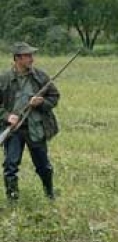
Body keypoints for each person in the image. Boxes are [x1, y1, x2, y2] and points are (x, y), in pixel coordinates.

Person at [0, 42, 60, 201]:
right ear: (17, 58)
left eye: (31, 55)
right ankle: (12, 200)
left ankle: (50, 195)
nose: (32, 59)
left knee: (43, 166)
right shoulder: (4, 79)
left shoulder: (41, 76)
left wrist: (41, 103)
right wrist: (7, 117)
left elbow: (54, 97)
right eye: (27, 56)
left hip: (36, 128)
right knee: (10, 166)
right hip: (13, 130)